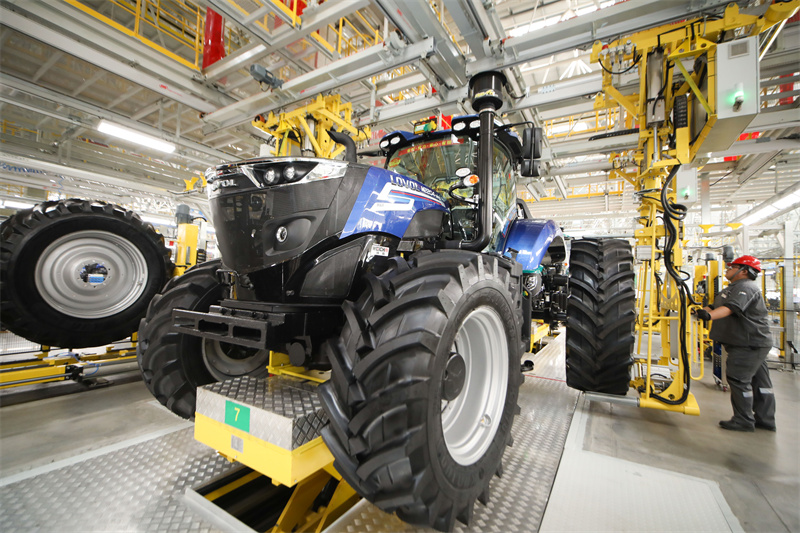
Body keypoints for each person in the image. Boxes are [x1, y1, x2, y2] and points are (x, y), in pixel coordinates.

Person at [694, 255, 776, 432]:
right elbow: (714, 306)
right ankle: (765, 419)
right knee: (760, 382)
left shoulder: (746, 287)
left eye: (732, 267)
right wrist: (698, 311)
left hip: (748, 343)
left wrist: (708, 316)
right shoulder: (732, 288)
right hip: (751, 342)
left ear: (744, 271)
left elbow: (732, 308)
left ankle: (743, 420)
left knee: (738, 378)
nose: (727, 269)